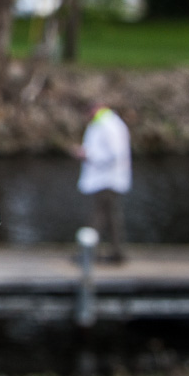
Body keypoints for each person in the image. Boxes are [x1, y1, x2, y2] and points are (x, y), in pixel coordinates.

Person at [72, 101, 131, 264]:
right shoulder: (104, 123)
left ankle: (89, 253)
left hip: (108, 179)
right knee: (111, 218)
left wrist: (87, 154)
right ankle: (115, 253)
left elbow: (115, 154)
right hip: (105, 179)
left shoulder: (109, 125)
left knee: (99, 217)